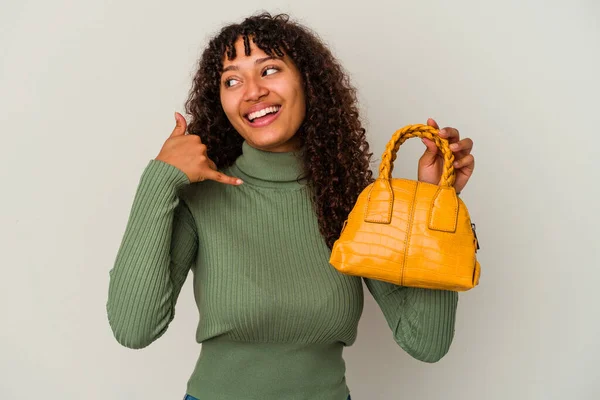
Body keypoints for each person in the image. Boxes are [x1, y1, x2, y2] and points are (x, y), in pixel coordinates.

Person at [106, 12, 475, 400]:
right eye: (232, 80)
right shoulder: (200, 196)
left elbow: (425, 342)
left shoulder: (356, 201)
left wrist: (434, 205)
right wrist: (159, 179)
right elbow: (135, 329)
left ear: (308, 83)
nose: (251, 91)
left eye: (269, 70)